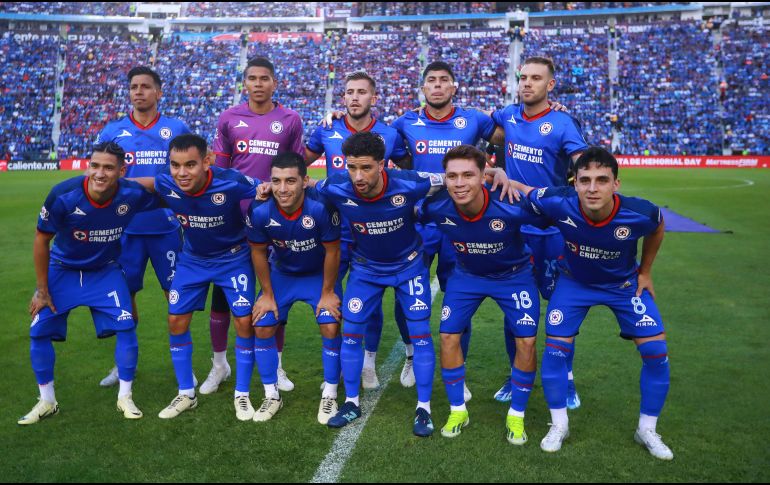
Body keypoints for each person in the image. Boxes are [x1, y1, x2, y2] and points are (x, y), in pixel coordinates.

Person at [318, 132, 511, 436]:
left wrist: (493, 171)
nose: (357, 176)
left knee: (421, 336)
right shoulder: (334, 186)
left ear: (382, 164)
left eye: (366, 168)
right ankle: (352, 401)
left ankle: (424, 408)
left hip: (409, 268)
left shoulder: (411, 181)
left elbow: (454, 177)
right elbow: (303, 190)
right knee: (351, 334)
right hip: (366, 270)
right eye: (352, 167)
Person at [513, 147, 673, 460]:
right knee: (556, 350)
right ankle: (559, 424)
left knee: (656, 353)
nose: (592, 188)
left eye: (602, 180)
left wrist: (647, 271)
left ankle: (647, 429)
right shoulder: (560, 202)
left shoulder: (640, 212)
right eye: (585, 180)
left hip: (623, 285)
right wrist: (500, 175)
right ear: (574, 183)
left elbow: (658, 225)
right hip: (574, 283)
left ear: (616, 184)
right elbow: (527, 191)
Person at [20, 142, 158, 424]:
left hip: (105, 271)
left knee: (127, 324)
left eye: (109, 168)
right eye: (95, 166)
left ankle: (125, 396)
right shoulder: (63, 195)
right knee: (39, 331)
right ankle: (47, 401)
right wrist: (42, 290)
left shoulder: (131, 194)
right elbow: (41, 239)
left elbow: (175, 191)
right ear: (88, 166)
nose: (100, 173)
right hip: (62, 269)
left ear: (122, 171)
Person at [419, 145, 544, 443]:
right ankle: (458, 409)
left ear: (483, 177)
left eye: (467, 175)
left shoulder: (510, 201)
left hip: (514, 277)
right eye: (452, 176)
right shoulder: (436, 206)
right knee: (449, 335)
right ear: (444, 178)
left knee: (526, 340)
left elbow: (555, 214)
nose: (459, 183)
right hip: (467, 276)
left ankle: (516, 416)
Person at [391, 61, 499, 401]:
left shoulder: (476, 120)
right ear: (423, 88)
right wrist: (338, 114)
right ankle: (410, 355)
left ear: (454, 88)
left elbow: (514, 132)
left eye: (443, 81)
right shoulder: (405, 122)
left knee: (459, 295)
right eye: (431, 81)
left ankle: (458, 369)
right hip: (419, 221)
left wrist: (503, 172)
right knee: (405, 289)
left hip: (460, 224)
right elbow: (382, 145)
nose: (437, 86)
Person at [306, 70, 414, 391]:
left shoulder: (389, 134)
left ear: (374, 98)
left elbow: (409, 165)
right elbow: (300, 163)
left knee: (370, 299)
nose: (354, 97)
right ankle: (337, 358)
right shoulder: (327, 128)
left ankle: (368, 362)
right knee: (332, 294)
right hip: (334, 228)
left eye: (361, 92)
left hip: (373, 227)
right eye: (349, 92)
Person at [490, 56, 588, 405]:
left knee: (562, 309)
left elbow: (582, 163)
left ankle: (567, 378)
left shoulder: (563, 123)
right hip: (516, 230)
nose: (526, 83)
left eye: (535, 78)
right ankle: (515, 374)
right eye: (523, 77)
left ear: (550, 85)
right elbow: (483, 129)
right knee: (513, 306)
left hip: (554, 231)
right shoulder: (506, 115)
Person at [207, 56, 305, 395]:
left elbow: (296, 167)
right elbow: (219, 171)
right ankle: (219, 365)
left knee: (272, 292)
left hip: (275, 220)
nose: (259, 84)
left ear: (275, 83)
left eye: (265, 78)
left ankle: (275, 366)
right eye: (253, 78)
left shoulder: (290, 119)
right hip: (233, 218)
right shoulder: (229, 118)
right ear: (244, 83)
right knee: (223, 292)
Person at [152, 134, 261, 420]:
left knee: (244, 322)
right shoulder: (165, 180)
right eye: (175, 165)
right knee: (175, 319)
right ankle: (186, 393)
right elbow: (137, 188)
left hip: (233, 258)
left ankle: (242, 394)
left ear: (207, 160)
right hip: (193, 260)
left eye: (190, 164)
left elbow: (267, 190)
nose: (181, 173)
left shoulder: (232, 181)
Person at [95, 66, 191, 388]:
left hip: (166, 228)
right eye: (134, 86)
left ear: (158, 92)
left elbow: (187, 175)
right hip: (125, 230)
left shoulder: (175, 128)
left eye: (146, 86)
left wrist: (147, 182)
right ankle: (123, 366)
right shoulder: (113, 131)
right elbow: (100, 176)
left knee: (175, 299)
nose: (139, 91)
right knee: (124, 299)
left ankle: (184, 367)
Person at [247, 153, 342, 424]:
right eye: (276, 181)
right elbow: (257, 253)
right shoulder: (260, 210)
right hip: (283, 275)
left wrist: (327, 292)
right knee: (263, 324)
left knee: (330, 324)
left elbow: (333, 252)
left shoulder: (321, 208)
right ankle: (271, 395)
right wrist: (266, 294)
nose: (283, 188)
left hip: (317, 276)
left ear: (304, 181)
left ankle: (330, 394)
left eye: (290, 181)